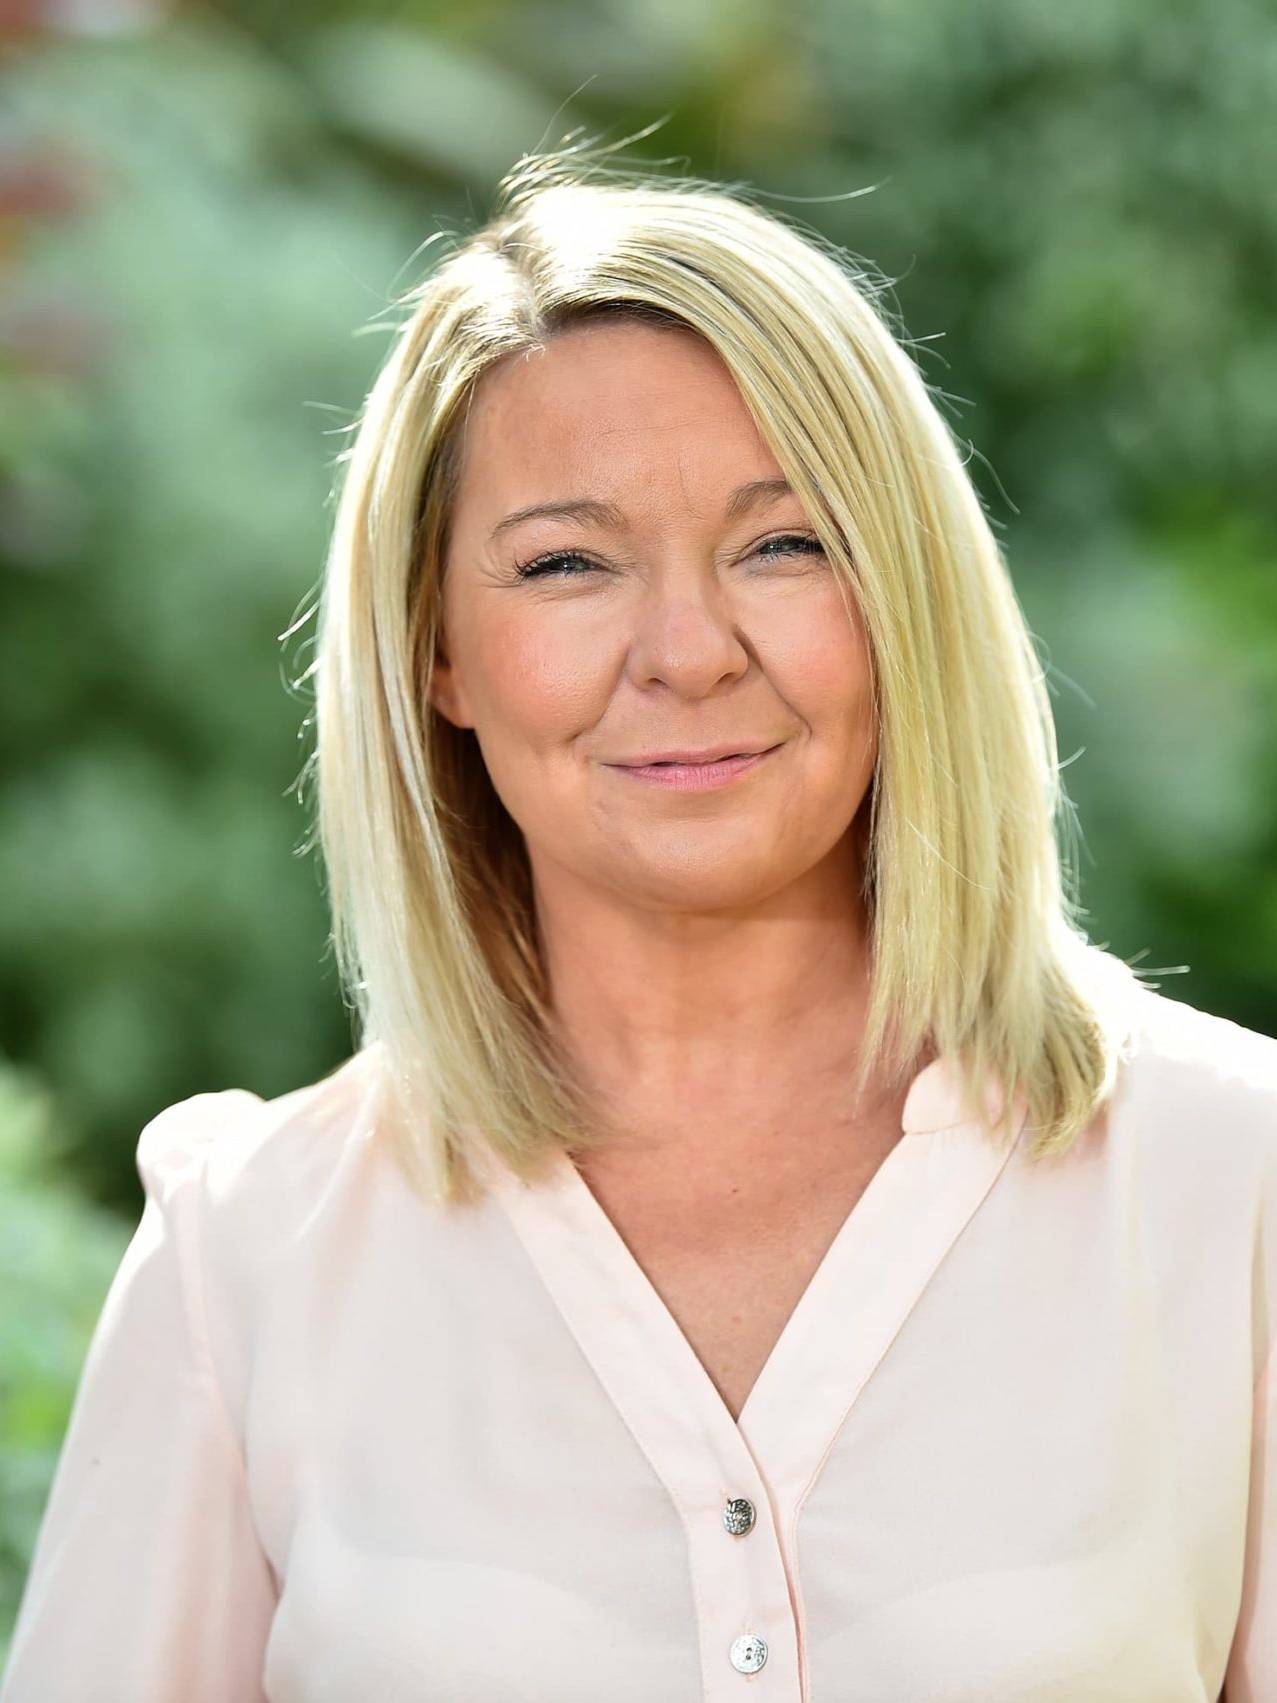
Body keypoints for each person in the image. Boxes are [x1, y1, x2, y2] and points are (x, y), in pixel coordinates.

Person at [3, 141, 1273, 1703]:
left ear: (905, 598)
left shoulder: (1233, 1182)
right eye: (565, 563)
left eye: (782, 544)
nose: (687, 651)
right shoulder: (250, 1261)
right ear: (436, 655)